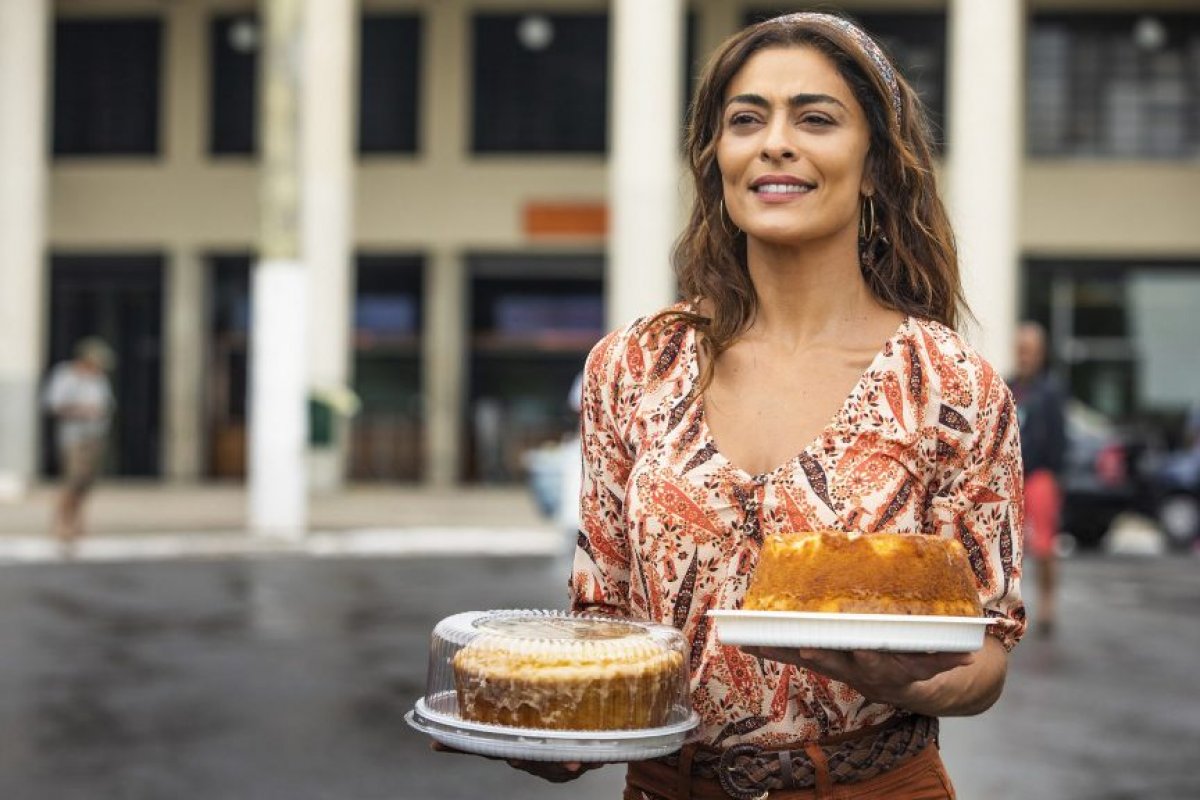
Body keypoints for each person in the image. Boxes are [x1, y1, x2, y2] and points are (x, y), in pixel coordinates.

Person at [1009, 322, 1066, 638]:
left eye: (1029, 350)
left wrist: (1057, 478)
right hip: (1013, 475)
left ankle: (1047, 601)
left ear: (1041, 353)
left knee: (1044, 544)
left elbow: (1059, 438)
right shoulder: (1009, 386)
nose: (1024, 356)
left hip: (1041, 474)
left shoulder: (1051, 390)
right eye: (1020, 350)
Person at [43, 337, 115, 556]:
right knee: (73, 479)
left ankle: (78, 522)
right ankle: (61, 522)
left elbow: (108, 404)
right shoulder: (66, 376)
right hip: (74, 437)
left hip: (96, 436)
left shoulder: (99, 379)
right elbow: (53, 404)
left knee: (86, 482)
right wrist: (83, 411)